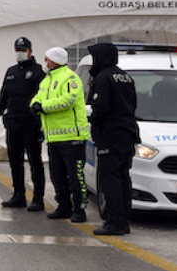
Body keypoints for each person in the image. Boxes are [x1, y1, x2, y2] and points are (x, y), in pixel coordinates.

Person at [30, 46, 89, 223]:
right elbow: (37, 97)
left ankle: (80, 209)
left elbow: (68, 99)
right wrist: (34, 105)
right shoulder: (47, 80)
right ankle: (64, 205)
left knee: (75, 176)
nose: (45, 62)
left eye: (47, 59)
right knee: (57, 175)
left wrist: (43, 107)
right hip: (53, 137)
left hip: (72, 138)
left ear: (55, 60)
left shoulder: (70, 78)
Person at [86, 43, 139, 236]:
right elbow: (132, 105)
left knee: (110, 180)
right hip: (127, 133)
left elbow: (101, 108)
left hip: (111, 135)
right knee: (123, 177)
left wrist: (92, 119)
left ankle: (114, 222)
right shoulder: (125, 77)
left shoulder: (103, 78)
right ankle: (123, 220)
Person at [0, 37, 47, 211]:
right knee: (15, 161)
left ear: (30, 51)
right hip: (13, 123)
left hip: (31, 124)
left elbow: (44, 96)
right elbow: (4, 96)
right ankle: (18, 195)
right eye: (18, 50)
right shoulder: (11, 71)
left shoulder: (39, 72)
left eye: (23, 50)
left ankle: (38, 198)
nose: (20, 53)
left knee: (34, 161)